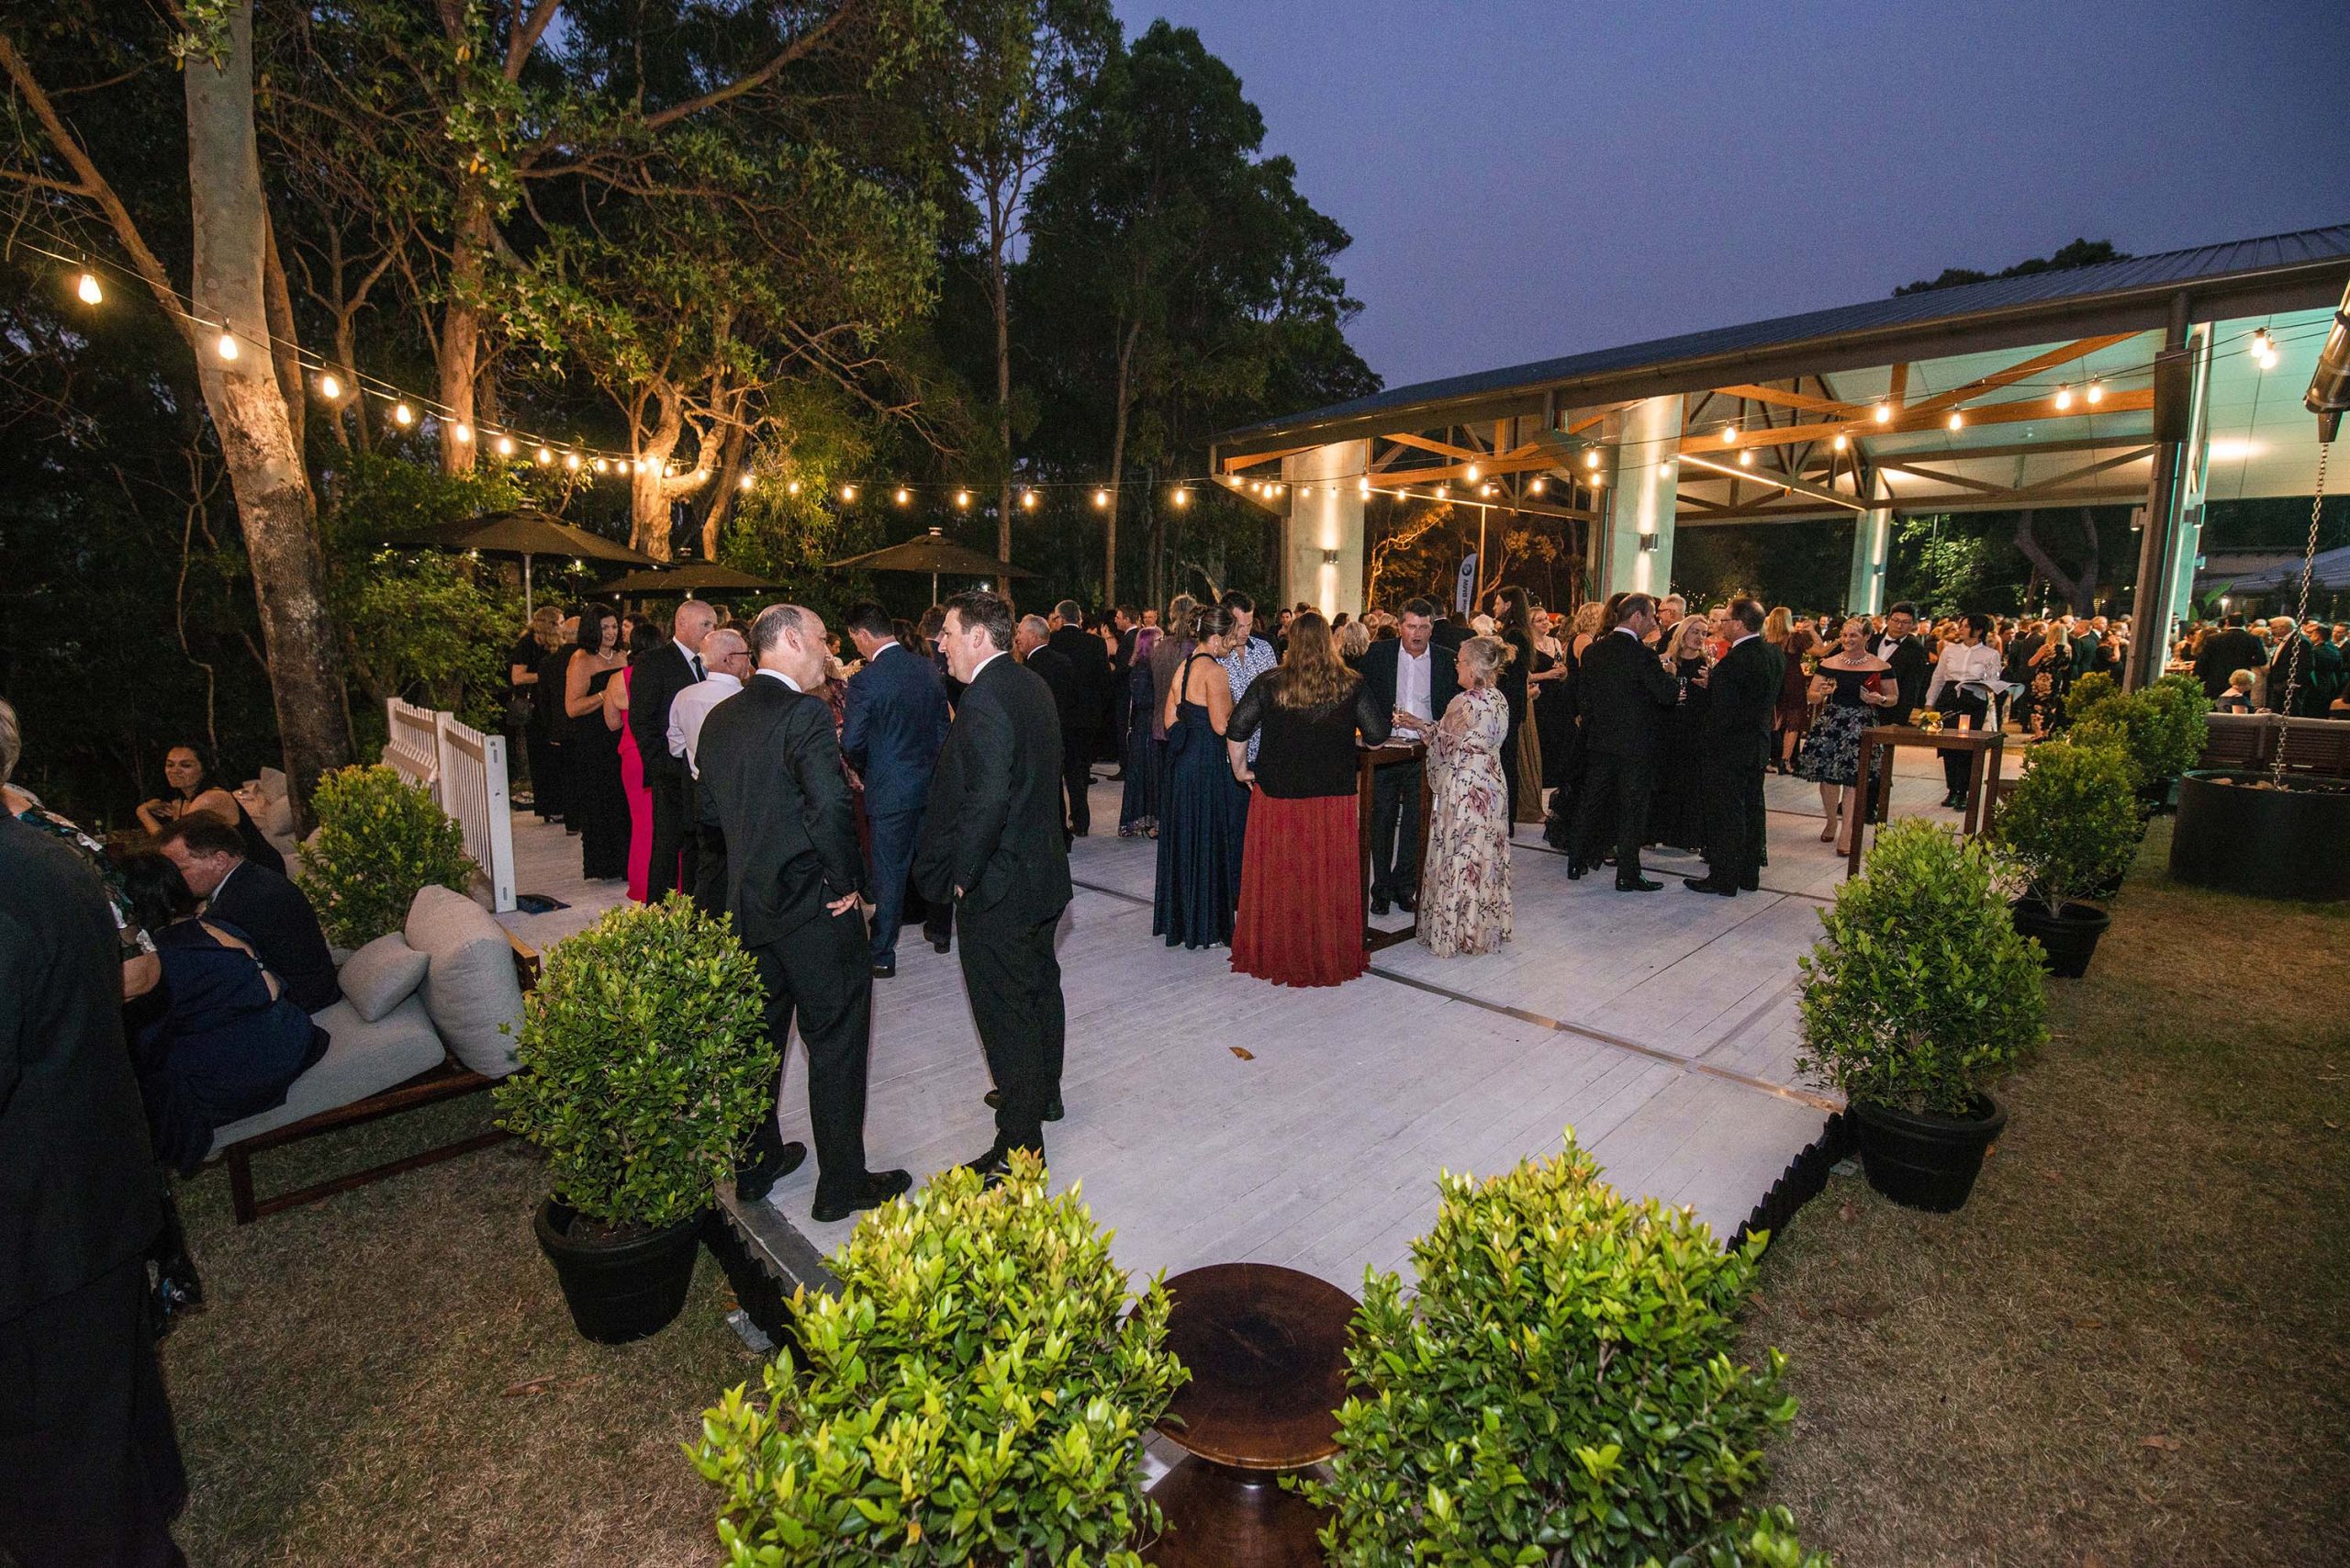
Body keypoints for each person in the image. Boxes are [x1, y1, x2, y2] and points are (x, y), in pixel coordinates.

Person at [2, 707, 189, 1568]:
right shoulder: (53, 853)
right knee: (105, 1403)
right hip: (90, 1177)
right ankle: (156, 1498)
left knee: (56, 1468)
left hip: (36, 1217)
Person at [698, 604, 910, 1224]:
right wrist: (850, 886)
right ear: (790, 639)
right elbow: (831, 807)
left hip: (748, 910)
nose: (829, 650)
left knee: (756, 1043)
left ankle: (756, 1165)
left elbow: (707, 816)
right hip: (815, 909)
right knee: (836, 1043)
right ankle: (841, 1184)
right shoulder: (805, 715)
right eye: (821, 638)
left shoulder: (720, 717)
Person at [917, 591, 1075, 1179]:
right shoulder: (1031, 683)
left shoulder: (983, 699)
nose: (940, 644)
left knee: (1006, 1013)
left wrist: (963, 876)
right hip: (1041, 873)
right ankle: (1042, 1093)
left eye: (948, 633)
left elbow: (987, 799)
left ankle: (1019, 1147)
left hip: (1001, 884)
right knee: (1038, 989)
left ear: (979, 636)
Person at [118, 853, 328, 1177]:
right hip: (292, 1036)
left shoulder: (158, 964)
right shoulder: (214, 926)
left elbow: (147, 1049)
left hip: (252, 1070)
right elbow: (270, 987)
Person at [1224, 611, 1390, 986]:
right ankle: (1327, 951)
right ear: (1330, 642)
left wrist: (1241, 770)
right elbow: (1378, 736)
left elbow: (1237, 728)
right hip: (1332, 799)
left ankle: (1277, 950)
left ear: (1291, 642)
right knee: (1325, 878)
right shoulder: (1351, 683)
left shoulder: (1270, 683)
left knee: (1281, 876)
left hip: (1278, 798)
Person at [839, 602, 952, 978]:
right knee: (932, 859)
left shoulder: (866, 680)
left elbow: (852, 741)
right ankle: (941, 931)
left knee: (889, 872)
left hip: (889, 788)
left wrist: (867, 768)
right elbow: (942, 728)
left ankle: (883, 954)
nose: (855, 646)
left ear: (863, 635)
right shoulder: (927, 668)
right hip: (929, 783)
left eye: (854, 639)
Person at [155, 815, 339, 1014]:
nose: (174, 879)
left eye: (181, 869)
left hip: (299, 1004)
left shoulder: (238, 903)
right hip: (311, 990)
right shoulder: (251, 878)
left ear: (219, 860)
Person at [1152, 602, 1248, 949]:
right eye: (1231, 637)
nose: (1234, 643)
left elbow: (1169, 719)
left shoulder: (1184, 666)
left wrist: (1189, 736)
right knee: (1207, 840)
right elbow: (1223, 725)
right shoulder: (1215, 672)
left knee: (1185, 840)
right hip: (1207, 766)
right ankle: (1206, 925)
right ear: (1217, 638)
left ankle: (1181, 921)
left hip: (1183, 766)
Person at [1571, 594, 1682, 891]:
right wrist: (1671, 675)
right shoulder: (1642, 655)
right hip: (1635, 745)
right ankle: (1627, 873)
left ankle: (1575, 861)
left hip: (1600, 741)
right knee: (1632, 809)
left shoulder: (1594, 651)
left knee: (1591, 802)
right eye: (1652, 616)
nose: (1654, 622)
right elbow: (1666, 695)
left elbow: (1584, 697)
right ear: (1637, 617)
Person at [1357, 598, 1459, 916]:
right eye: (1411, 626)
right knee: (1382, 819)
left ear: (1432, 628)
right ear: (1400, 625)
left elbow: (1452, 708)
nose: (1417, 633)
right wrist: (1370, 734)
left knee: (1417, 821)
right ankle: (1381, 888)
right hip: (1386, 750)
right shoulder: (1378, 655)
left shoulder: (1445, 660)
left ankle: (1405, 886)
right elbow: (1361, 696)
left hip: (1424, 751)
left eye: (1424, 627)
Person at [1418, 635, 1514, 956]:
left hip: (1466, 787)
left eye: (1459, 660)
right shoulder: (1499, 698)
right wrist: (1424, 725)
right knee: (1485, 854)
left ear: (1472, 667)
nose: (1455, 665)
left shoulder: (1463, 702)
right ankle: (1480, 928)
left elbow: (1443, 744)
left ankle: (1455, 931)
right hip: (1493, 782)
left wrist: (1425, 733)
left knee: (1460, 855)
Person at [1686, 600, 1784, 897]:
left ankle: (1723, 878)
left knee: (1725, 814)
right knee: (1752, 809)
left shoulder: (1734, 661)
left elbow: (1723, 713)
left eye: (1725, 620)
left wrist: (1711, 690)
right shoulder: (1773, 655)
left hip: (1728, 750)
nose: (1721, 625)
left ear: (1740, 623)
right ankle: (1748, 874)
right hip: (1757, 745)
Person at [627, 599, 712, 902]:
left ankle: (694, 912)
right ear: (682, 623)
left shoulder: (710, 663)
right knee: (666, 848)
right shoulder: (654, 662)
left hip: (704, 774)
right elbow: (642, 720)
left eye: (714, 625)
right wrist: (663, 765)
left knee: (697, 849)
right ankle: (658, 915)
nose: (711, 631)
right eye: (705, 624)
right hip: (672, 772)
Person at [1798, 616, 1899, 857]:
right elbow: (1811, 695)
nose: (1847, 639)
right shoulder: (1829, 663)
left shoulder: (1881, 666)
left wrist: (1879, 699)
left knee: (1854, 780)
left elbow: (1893, 698)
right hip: (1832, 724)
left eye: (1853, 635)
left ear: (1867, 637)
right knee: (1828, 778)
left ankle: (1847, 831)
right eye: (1844, 635)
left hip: (1862, 725)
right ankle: (1832, 820)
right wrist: (1821, 694)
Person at [668, 626, 750, 913]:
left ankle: (705, 923)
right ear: (730, 659)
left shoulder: (684, 696)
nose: (750, 660)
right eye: (746, 654)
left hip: (700, 789)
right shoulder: (745, 699)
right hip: (741, 794)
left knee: (709, 864)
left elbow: (675, 747)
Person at [135, 745, 284, 877]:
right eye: (170, 765)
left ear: (204, 769)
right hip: (227, 870)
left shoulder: (211, 798)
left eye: (186, 765)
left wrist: (142, 812)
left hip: (258, 870)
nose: (175, 771)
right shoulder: (181, 802)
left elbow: (170, 845)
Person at [565, 605, 630, 880]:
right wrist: (606, 694)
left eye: (615, 626)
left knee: (622, 800)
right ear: (593, 629)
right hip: (594, 740)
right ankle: (604, 864)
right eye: (605, 628)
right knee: (601, 800)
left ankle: (626, 862)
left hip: (620, 735)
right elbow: (572, 707)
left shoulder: (623, 656)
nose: (611, 633)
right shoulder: (581, 659)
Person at [1647, 613, 1714, 855]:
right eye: (1695, 632)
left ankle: (1688, 835)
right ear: (1683, 633)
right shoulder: (1667, 660)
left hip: (1694, 730)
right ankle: (1653, 833)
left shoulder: (1706, 665)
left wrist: (1711, 685)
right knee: (1662, 781)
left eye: (1704, 633)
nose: (1699, 637)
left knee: (1690, 783)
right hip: (1668, 728)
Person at [1046, 600, 1113, 836]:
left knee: (1058, 769)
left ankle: (1060, 821)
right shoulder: (1096, 643)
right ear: (1080, 618)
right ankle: (1081, 819)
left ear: (1060, 618)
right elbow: (1105, 681)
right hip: (1087, 717)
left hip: (1058, 715)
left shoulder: (1052, 642)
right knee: (1080, 769)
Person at [610, 620, 666, 902]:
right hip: (659, 750)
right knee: (665, 820)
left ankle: (641, 886)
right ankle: (672, 885)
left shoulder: (618, 678)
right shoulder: (664, 674)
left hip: (631, 753)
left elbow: (611, 723)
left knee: (640, 822)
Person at [1925, 611, 2002, 810]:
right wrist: (1930, 702)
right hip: (1949, 698)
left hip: (1973, 699)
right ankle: (1952, 789)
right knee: (1948, 745)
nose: (1961, 629)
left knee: (1968, 747)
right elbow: (1938, 677)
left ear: (1978, 630)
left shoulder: (1990, 654)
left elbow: (1993, 681)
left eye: (1966, 626)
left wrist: (1983, 684)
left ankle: (1964, 792)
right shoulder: (1949, 650)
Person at [509, 607, 562, 814]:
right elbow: (517, 677)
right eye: (560, 622)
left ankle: (555, 803)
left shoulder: (552, 645)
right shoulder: (527, 644)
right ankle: (548, 805)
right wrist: (545, 675)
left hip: (549, 703)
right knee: (541, 754)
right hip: (535, 706)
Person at [532, 614, 577, 824]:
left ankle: (571, 819)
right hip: (583, 724)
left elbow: (543, 700)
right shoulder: (588, 659)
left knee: (566, 773)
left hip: (560, 726)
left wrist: (550, 728)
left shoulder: (548, 662)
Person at [1771, 610, 1817, 777]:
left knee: (1775, 720)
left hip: (1776, 679)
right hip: (1793, 680)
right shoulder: (1794, 637)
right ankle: (1785, 760)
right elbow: (1819, 651)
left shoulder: (1768, 639)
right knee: (1794, 722)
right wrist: (1813, 631)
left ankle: (1770, 759)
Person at [1872, 602, 1931, 719]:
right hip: (1862, 707)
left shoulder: (1915, 648)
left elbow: (1912, 687)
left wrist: (1900, 719)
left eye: (1906, 622)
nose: (1899, 626)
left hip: (1892, 711)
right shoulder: (1872, 640)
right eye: (1895, 620)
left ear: (1912, 625)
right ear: (1888, 620)